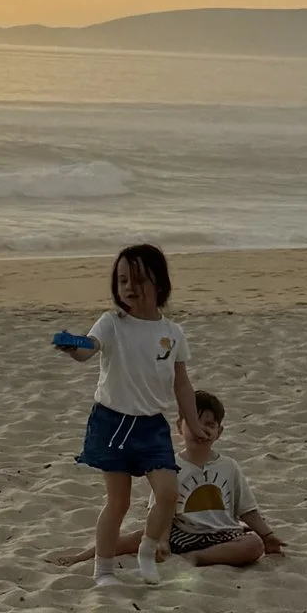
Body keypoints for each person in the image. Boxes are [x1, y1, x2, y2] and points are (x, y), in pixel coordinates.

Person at [54, 240, 204, 588]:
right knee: (118, 503)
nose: (128, 287)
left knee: (168, 493)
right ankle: (103, 571)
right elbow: (88, 350)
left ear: (159, 283)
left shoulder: (173, 333)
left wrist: (192, 424)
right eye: (122, 280)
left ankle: (147, 552)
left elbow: (182, 385)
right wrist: (72, 346)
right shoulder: (111, 324)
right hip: (114, 421)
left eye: (137, 279)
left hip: (152, 425)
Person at [167, 392, 286, 569]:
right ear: (179, 426)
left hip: (221, 535)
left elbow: (247, 510)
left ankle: (197, 557)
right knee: (142, 537)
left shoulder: (229, 467)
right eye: (194, 423)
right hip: (182, 532)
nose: (201, 429)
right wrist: (159, 539)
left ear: (219, 432)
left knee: (254, 545)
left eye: (209, 424)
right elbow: (160, 510)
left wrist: (267, 535)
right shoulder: (170, 466)